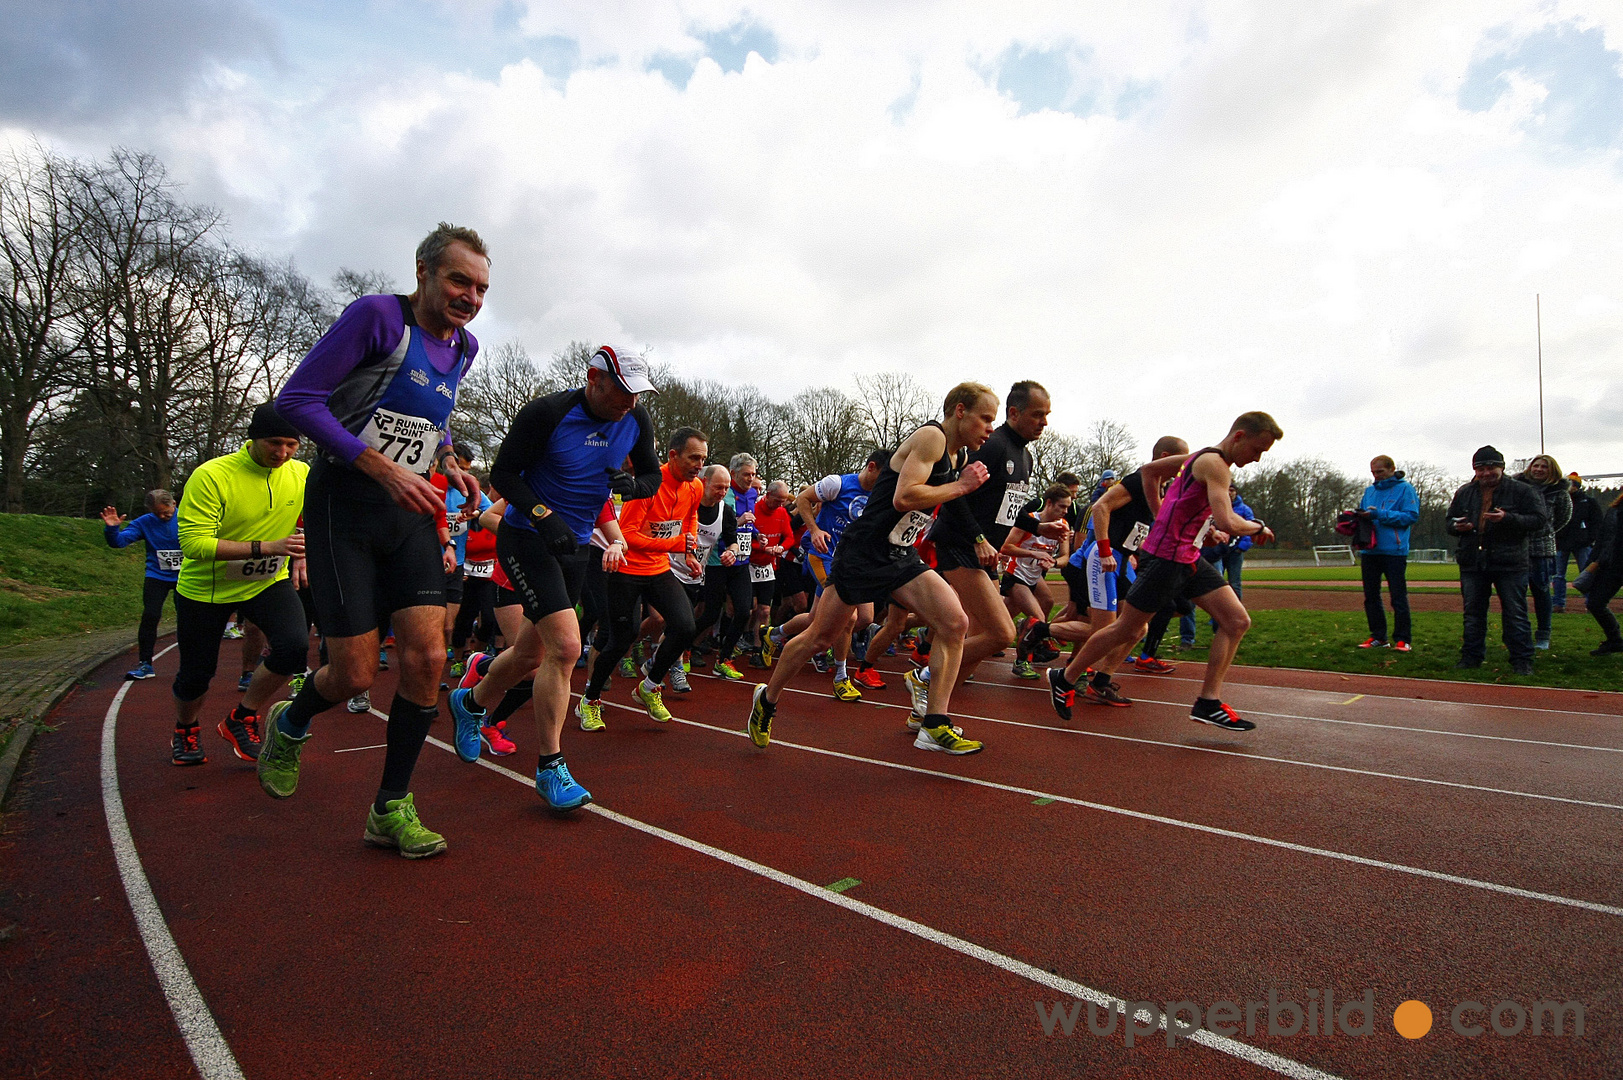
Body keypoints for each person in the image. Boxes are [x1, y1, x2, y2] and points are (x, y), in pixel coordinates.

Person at [264, 222, 488, 859]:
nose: (470, 297)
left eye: (480, 288)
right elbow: (298, 401)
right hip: (346, 506)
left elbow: (433, 419)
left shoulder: (465, 348)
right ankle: (293, 719)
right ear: (422, 272)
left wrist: (447, 461)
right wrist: (379, 466)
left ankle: (389, 808)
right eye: (458, 280)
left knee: (427, 659)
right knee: (356, 673)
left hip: (411, 508)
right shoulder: (376, 319)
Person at [450, 346, 663, 797]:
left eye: (638, 395)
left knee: (529, 654)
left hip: (575, 545)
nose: (630, 403)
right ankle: (551, 767)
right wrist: (543, 515)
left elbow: (651, 476)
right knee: (566, 648)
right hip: (528, 537)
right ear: (594, 379)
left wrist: (634, 485)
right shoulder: (547, 413)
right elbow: (505, 476)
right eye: (623, 392)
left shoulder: (635, 419)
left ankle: (470, 702)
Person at [747, 382, 996, 754]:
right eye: (985, 418)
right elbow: (905, 495)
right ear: (960, 411)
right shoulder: (931, 438)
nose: (989, 428)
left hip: (900, 553)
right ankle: (767, 699)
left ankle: (934, 724)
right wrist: (961, 487)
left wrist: (976, 533)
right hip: (864, 553)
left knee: (954, 622)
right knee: (821, 637)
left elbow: (948, 502)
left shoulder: (958, 459)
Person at [1048, 413, 1280, 730]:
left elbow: (1150, 470)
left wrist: (1164, 514)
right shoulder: (1215, 465)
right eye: (1257, 449)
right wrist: (1258, 527)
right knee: (1127, 630)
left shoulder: (1198, 458)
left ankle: (1208, 702)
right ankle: (1066, 677)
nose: (1256, 459)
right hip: (1166, 561)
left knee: (1236, 620)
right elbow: (1227, 521)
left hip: (1188, 558)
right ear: (1239, 436)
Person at [168, 404, 309, 766]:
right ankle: (186, 728)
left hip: (266, 581)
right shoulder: (212, 475)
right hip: (206, 588)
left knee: (294, 649)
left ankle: (242, 717)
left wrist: (301, 554)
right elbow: (193, 545)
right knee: (197, 675)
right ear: (252, 438)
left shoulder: (300, 473)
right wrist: (268, 547)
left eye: (291, 445)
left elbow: (308, 518)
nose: (282, 453)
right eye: (274, 443)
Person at [922, 380, 1066, 697]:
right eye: (1038, 415)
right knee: (1000, 633)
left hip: (983, 554)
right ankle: (925, 676)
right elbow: (954, 493)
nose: (1044, 422)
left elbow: (1006, 511)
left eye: (1047, 415)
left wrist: (1039, 527)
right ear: (1014, 413)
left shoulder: (1025, 458)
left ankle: (930, 710)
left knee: (977, 632)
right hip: (960, 544)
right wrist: (978, 538)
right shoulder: (993, 445)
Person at [1446, 445, 1546, 676]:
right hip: (1473, 560)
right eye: (1480, 469)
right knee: (1473, 613)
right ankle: (1471, 657)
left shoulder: (1522, 491)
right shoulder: (1465, 492)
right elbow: (1449, 521)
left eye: (1491, 468)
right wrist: (1457, 526)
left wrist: (1508, 518)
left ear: (1501, 467)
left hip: (1509, 561)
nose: (1485, 473)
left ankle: (1522, 660)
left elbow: (1539, 520)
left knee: (1515, 613)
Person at [102, 490, 182, 681]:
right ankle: (145, 664)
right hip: (157, 575)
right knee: (150, 616)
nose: (164, 516)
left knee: (188, 619)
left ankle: (189, 664)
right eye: (158, 513)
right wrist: (112, 529)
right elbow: (119, 542)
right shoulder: (144, 522)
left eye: (167, 511)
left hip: (186, 577)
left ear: (174, 503)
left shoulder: (188, 518)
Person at [999, 483, 1071, 679]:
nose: (1065, 512)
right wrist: (1033, 552)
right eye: (1062, 507)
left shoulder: (1063, 526)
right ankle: (1022, 661)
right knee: (1037, 617)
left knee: (1000, 621)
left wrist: (1053, 561)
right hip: (1016, 574)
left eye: (1067, 508)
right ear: (1049, 503)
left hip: (1035, 575)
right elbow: (1006, 547)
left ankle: (1029, 636)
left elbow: (1065, 557)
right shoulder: (1030, 521)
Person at [1354, 455, 1419, 651]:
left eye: (1380, 472)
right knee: (1371, 596)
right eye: (1373, 473)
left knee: (1398, 596)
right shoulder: (1370, 491)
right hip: (1371, 550)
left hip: (1394, 551)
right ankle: (1378, 637)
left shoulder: (1405, 489)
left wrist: (1379, 515)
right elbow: (1366, 515)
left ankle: (1403, 639)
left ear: (1392, 469)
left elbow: (1410, 516)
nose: (1376, 476)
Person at [1515, 454, 1571, 650]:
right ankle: (1520, 635)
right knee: (1516, 594)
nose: (1538, 469)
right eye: (1536, 466)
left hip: (1542, 549)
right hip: (1517, 546)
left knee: (1542, 592)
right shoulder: (1517, 488)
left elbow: (1563, 518)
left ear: (1552, 471)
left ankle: (1543, 636)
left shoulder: (1559, 493)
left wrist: (1545, 532)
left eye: (1544, 467)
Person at [1580, 490, 1623, 656]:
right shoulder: (1615, 510)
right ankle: (1615, 640)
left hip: (1614, 563)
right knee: (1595, 603)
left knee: (1596, 603)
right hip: (1611, 565)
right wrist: (1593, 561)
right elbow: (1603, 537)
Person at [1556, 472, 1601, 614]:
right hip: (1561, 543)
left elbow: (1597, 522)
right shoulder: (1560, 500)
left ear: (1577, 486)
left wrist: (1590, 538)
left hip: (1581, 543)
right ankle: (1558, 604)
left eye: (1573, 484)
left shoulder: (1588, 502)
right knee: (1557, 575)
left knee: (1586, 573)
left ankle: (1591, 603)